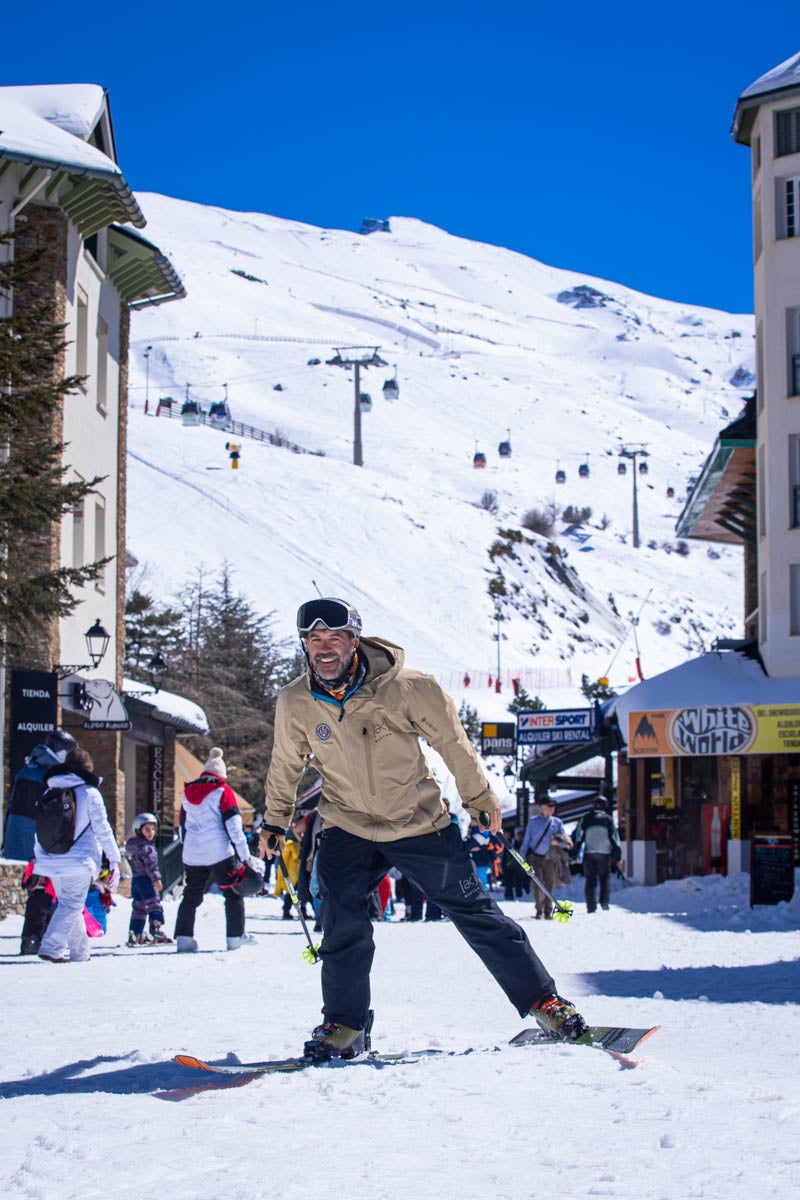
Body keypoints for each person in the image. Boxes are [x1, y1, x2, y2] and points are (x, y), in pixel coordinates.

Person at [260, 597, 588, 1059]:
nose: (324, 648)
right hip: (347, 824)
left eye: (335, 638)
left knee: (474, 912)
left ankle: (543, 1000)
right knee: (339, 919)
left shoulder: (409, 688)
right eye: (314, 640)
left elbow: (453, 742)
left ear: (355, 641)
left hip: (417, 823)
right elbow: (285, 764)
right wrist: (275, 819)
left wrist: (478, 797)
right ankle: (344, 1024)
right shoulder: (295, 700)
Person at [33, 744, 121, 963]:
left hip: (52, 859)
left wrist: (39, 858)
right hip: (79, 860)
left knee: (70, 905)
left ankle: (80, 953)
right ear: (88, 767)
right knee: (72, 905)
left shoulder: (48, 791)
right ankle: (52, 947)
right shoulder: (90, 793)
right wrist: (114, 858)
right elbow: (102, 828)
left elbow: (39, 828)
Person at [173, 747, 261, 951]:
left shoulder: (187, 793)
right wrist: (245, 857)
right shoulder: (223, 791)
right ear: (222, 775)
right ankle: (235, 937)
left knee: (191, 895)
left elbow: (183, 828)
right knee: (232, 893)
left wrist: (190, 849)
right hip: (220, 852)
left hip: (193, 854)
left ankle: (184, 939)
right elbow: (234, 828)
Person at [3, 729, 77, 860]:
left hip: (14, 844)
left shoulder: (24, 772)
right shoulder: (56, 778)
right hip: (41, 850)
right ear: (63, 753)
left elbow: (11, 808)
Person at [125, 812, 172, 944]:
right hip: (147, 880)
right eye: (147, 829)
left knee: (139, 907)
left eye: (152, 829)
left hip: (136, 881)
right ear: (139, 830)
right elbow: (151, 865)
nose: (151, 832)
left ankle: (135, 932)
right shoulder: (147, 848)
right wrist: (156, 879)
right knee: (154, 904)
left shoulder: (134, 846)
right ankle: (156, 930)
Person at [572, 795, 623, 913]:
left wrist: (575, 853)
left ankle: (591, 906)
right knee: (604, 878)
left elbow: (579, 837)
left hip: (589, 853)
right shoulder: (608, 819)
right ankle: (604, 903)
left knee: (590, 880)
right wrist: (617, 856)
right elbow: (615, 839)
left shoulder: (586, 818)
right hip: (604, 854)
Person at [519, 798, 568, 919]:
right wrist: (522, 856)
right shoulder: (533, 822)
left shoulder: (557, 822)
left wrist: (559, 842)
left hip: (551, 858)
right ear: (542, 807)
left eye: (554, 806)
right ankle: (539, 910)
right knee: (537, 883)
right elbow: (526, 840)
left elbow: (565, 840)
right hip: (535, 857)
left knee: (549, 884)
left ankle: (548, 910)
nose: (552, 808)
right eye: (550, 805)